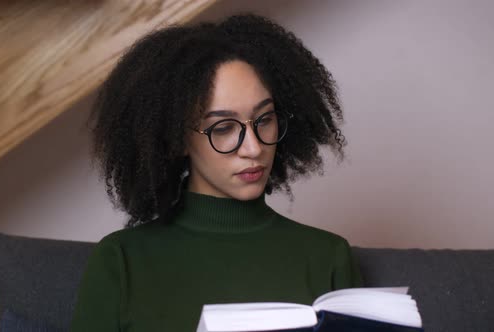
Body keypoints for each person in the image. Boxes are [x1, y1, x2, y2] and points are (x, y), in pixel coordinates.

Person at [70, 13, 363, 332]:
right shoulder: (122, 260)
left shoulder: (328, 256)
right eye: (224, 127)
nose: (253, 148)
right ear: (179, 138)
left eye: (264, 120)